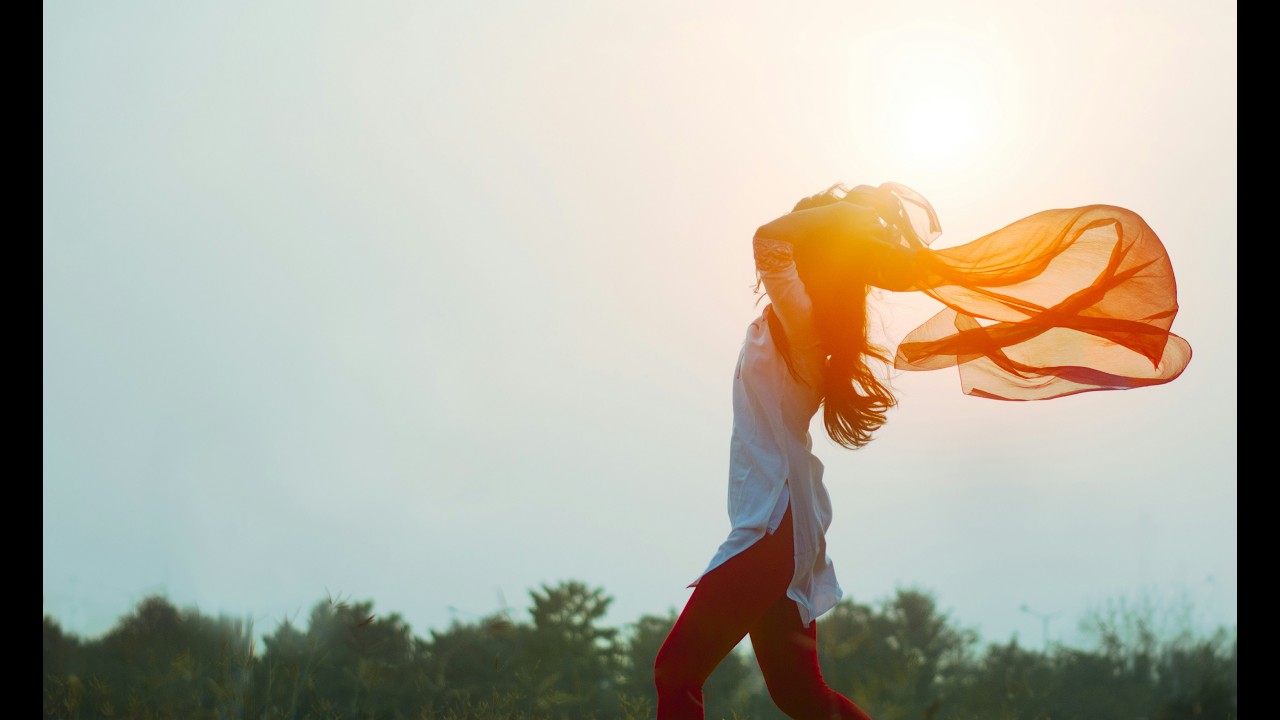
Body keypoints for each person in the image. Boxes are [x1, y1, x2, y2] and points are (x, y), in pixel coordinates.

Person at [652, 182, 1191, 719]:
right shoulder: (805, 320)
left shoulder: (803, 318)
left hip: (773, 524)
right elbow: (780, 242)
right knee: (799, 696)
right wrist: (846, 218)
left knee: (677, 672)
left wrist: (845, 215)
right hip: (780, 523)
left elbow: (769, 239)